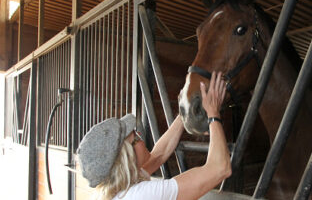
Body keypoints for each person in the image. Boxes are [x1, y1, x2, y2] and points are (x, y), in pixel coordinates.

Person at [77, 72, 231, 200]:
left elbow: (159, 155)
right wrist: (213, 113)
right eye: (135, 138)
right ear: (127, 156)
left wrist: (185, 113)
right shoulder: (141, 195)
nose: (141, 138)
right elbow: (219, 169)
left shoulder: (120, 189)